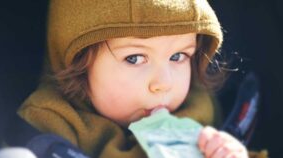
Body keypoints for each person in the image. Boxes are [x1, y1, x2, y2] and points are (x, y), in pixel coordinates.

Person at [17, 0, 265, 157]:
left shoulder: (198, 109)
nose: (163, 83)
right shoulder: (51, 122)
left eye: (178, 56)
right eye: (135, 58)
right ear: (78, 64)